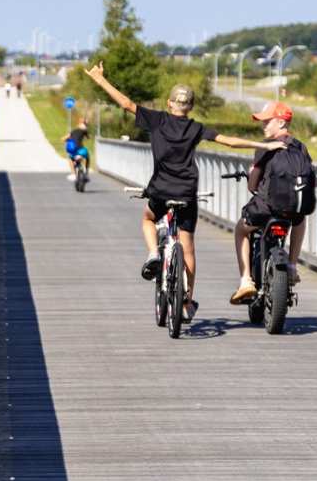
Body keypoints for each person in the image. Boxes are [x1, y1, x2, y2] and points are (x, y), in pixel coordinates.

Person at [83, 62, 286, 320]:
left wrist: (100, 79)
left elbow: (126, 103)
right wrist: (264, 146)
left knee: (147, 218)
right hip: (187, 191)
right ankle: (187, 302)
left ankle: (154, 253)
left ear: (170, 104)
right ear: (190, 107)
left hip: (160, 189)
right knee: (187, 246)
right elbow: (229, 141)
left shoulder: (157, 120)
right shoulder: (196, 128)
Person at [230, 101, 310, 304]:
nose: (263, 125)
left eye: (267, 121)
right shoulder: (300, 147)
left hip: (265, 209)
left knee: (241, 229)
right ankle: (291, 266)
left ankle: (246, 279)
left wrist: (251, 177)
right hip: (293, 210)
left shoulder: (265, 148)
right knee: (300, 219)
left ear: (282, 123)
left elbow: (253, 184)